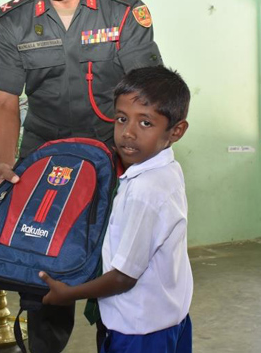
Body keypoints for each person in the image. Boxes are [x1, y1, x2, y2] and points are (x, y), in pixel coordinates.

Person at [0, 0, 162, 351]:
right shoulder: (12, 21)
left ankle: (115, 338)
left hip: (112, 156)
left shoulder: (121, 10)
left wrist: (145, 169)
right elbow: (5, 101)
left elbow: (146, 92)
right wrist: (4, 162)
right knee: (40, 273)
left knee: (119, 266)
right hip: (44, 159)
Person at [39, 66, 193, 353]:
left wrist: (69, 294)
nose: (128, 133)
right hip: (169, 317)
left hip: (139, 331)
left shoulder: (145, 189)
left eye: (145, 123)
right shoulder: (168, 169)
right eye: (122, 119)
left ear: (176, 131)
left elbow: (124, 277)